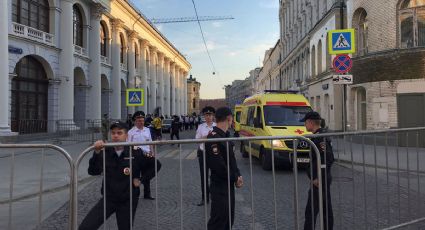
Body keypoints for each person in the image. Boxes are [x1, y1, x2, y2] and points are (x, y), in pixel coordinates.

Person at [79, 121, 141, 230]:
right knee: (86, 227)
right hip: (109, 199)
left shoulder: (135, 152)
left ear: (126, 135)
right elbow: (93, 171)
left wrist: (140, 179)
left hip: (127, 200)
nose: (116, 135)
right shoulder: (105, 151)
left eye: (119, 133)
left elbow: (155, 166)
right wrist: (97, 152)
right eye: (113, 133)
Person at [206, 107, 243, 230]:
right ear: (228, 118)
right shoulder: (213, 137)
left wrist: (238, 174)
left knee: (228, 220)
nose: (233, 121)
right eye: (232, 118)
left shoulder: (226, 135)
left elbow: (232, 160)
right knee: (218, 221)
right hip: (219, 187)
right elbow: (219, 166)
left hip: (228, 185)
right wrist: (234, 177)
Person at [300, 112, 334, 230]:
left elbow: (328, 158)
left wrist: (318, 177)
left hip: (320, 181)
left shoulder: (319, 137)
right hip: (321, 179)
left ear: (310, 122)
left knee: (311, 212)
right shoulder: (318, 135)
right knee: (325, 209)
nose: (304, 124)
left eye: (305, 122)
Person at [128, 111, 162, 200]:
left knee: (157, 165)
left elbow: (150, 142)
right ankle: (136, 194)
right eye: (139, 121)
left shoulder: (147, 130)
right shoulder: (131, 132)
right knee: (135, 174)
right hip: (136, 156)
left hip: (147, 155)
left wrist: (153, 153)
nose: (141, 122)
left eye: (142, 120)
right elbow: (128, 145)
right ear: (135, 121)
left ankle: (143, 186)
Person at [195, 106, 216, 206]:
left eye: (210, 115)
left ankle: (214, 194)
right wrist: (207, 137)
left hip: (215, 154)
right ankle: (205, 197)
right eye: (206, 115)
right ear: (204, 116)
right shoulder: (201, 127)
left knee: (215, 175)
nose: (208, 117)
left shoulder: (216, 126)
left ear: (213, 116)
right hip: (203, 154)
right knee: (203, 176)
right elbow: (197, 140)